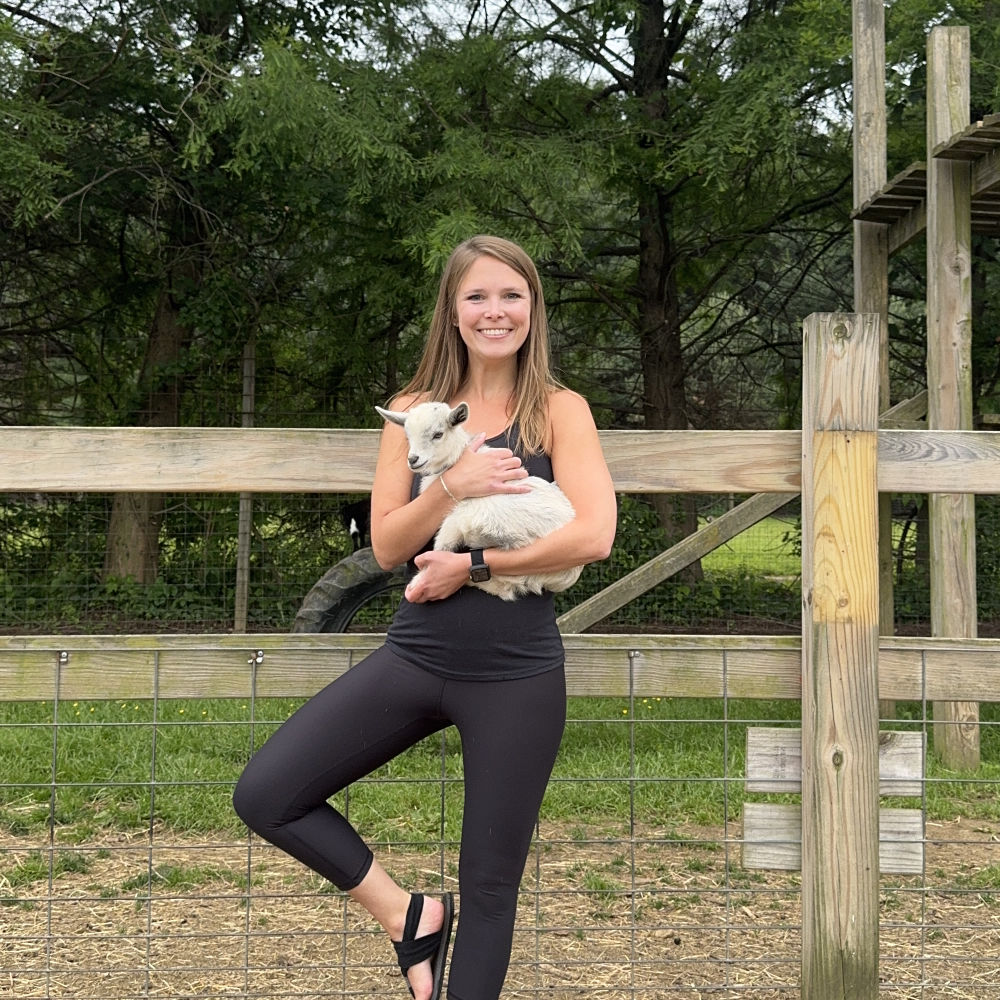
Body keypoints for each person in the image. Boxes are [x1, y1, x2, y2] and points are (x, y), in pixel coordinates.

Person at [233, 235, 617, 1000]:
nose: (495, 311)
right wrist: (453, 484)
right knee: (268, 793)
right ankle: (409, 915)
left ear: (533, 308)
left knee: (493, 884)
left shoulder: (558, 412)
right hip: (416, 658)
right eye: (477, 296)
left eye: (511, 295)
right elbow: (386, 544)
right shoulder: (412, 413)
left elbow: (593, 535)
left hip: (517, 672)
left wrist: (475, 565)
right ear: (451, 310)